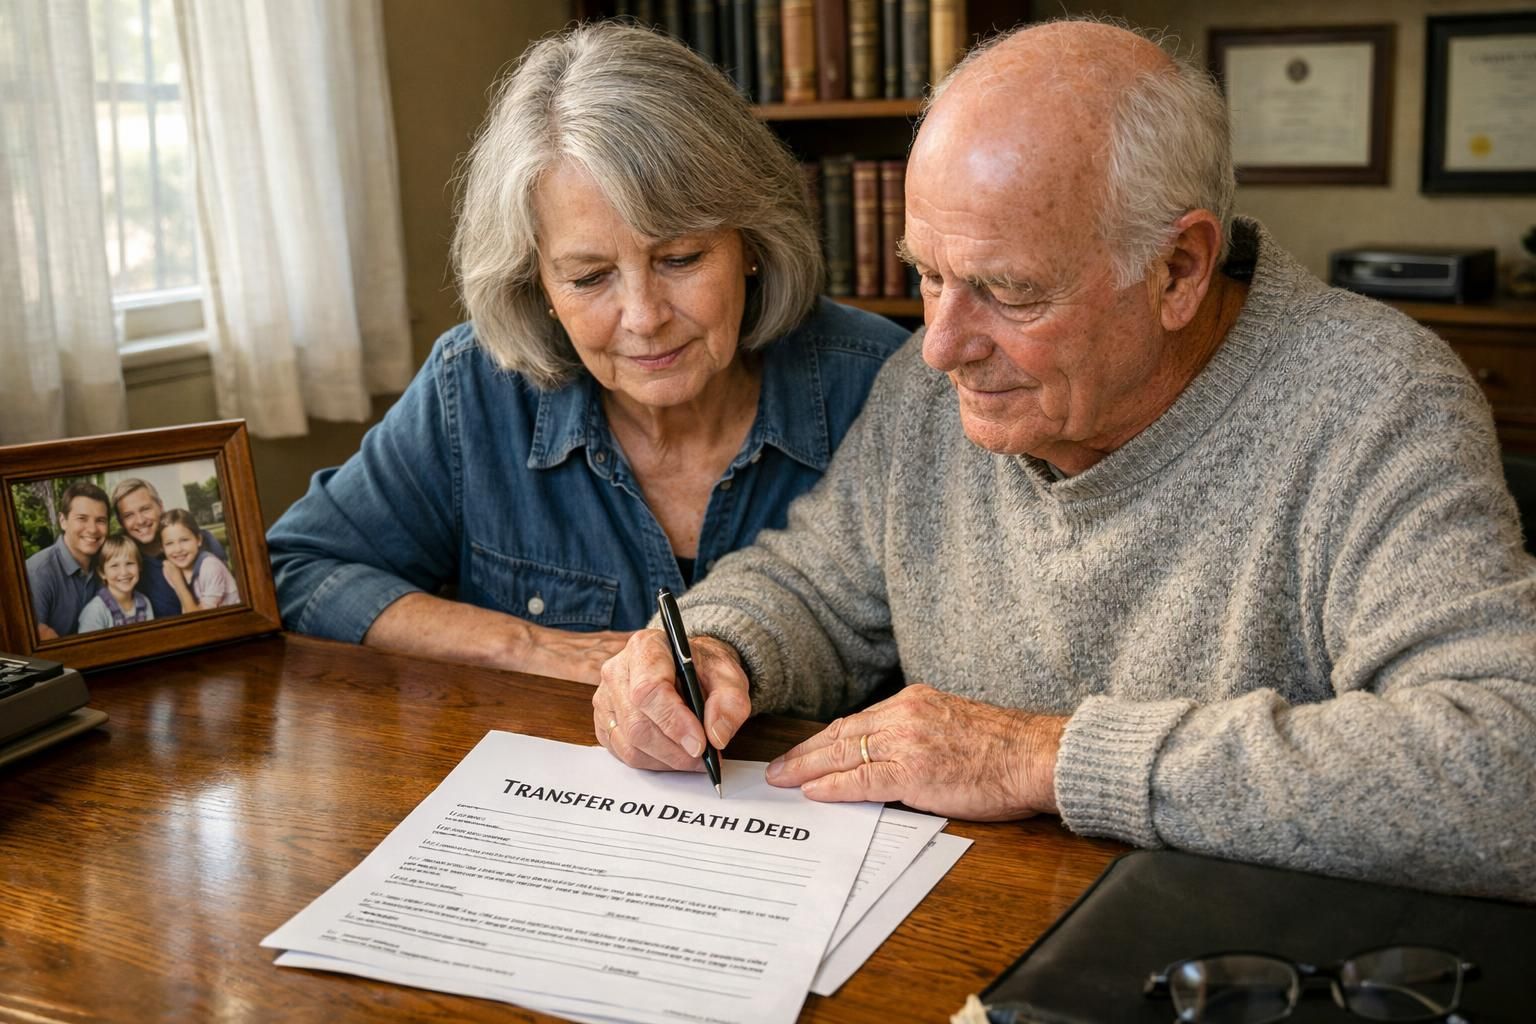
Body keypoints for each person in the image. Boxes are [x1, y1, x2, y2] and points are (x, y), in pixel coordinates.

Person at [593, 18, 1536, 902]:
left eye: (1007, 291)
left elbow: (1506, 767)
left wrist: (1042, 759)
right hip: (962, 932)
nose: (939, 346)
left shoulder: (1375, 401)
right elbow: (813, 586)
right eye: (928, 274)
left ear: (1178, 271)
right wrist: (714, 648)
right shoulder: (932, 397)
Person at [265, 23, 907, 684]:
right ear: (536, 283)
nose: (644, 317)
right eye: (589, 277)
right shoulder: (476, 390)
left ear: (751, 241)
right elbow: (300, 568)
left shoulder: (884, 383)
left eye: (680, 258)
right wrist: (530, 648)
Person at [111, 478, 229, 618]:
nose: (140, 520)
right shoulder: (125, 566)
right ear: (121, 522)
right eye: (129, 515)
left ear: (160, 506)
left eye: (145, 509)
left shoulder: (204, 541)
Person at [25, 482, 111, 640]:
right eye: (82, 518)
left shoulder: (109, 564)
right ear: (63, 521)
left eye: (100, 520)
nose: (92, 529)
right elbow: (32, 639)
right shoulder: (37, 572)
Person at [159, 509, 240, 609]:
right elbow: (186, 608)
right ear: (162, 548)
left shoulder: (210, 566)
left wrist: (179, 583)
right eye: (169, 543)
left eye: (184, 540)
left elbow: (199, 617)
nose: (178, 549)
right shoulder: (171, 569)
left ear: (198, 540)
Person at [76, 534, 155, 633]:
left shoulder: (144, 602)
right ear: (102, 573)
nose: (124, 572)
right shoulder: (95, 611)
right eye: (114, 566)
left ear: (139, 566)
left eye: (129, 563)